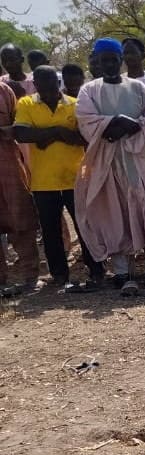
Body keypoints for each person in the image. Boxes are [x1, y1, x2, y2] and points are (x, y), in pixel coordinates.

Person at [74, 37, 145, 297]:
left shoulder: (139, 88)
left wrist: (127, 127)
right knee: (115, 215)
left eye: (112, 59)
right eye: (102, 60)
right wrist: (116, 122)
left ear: (120, 60)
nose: (108, 64)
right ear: (96, 61)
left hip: (140, 161)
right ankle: (123, 274)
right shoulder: (89, 90)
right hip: (107, 164)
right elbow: (87, 122)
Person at [0, 80, 39, 295]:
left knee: (21, 220)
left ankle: (30, 277)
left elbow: (18, 126)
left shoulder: (4, 91)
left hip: (9, 163)